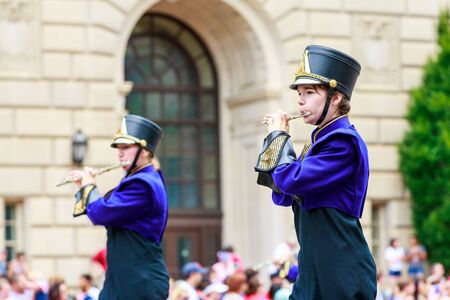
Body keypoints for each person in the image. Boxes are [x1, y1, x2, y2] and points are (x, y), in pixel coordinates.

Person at [255, 45, 377, 299]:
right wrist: (275, 140)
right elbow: (282, 192)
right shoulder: (318, 142)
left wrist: (279, 136)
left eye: (310, 92)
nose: (301, 101)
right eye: (300, 93)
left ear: (336, 98)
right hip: (314, 269)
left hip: (341, 271)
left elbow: (290, 180)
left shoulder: (342, 141)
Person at [69, 114, 169, 299]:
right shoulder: (138, 179)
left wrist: (89, 185)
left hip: (139, 283)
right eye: (119, 148)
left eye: (126, 147)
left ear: (145, 150)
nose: (120, 153)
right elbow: (104, 208)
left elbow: (101, 213)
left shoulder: (143, 183)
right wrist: (83, 186)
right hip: (124, 281)